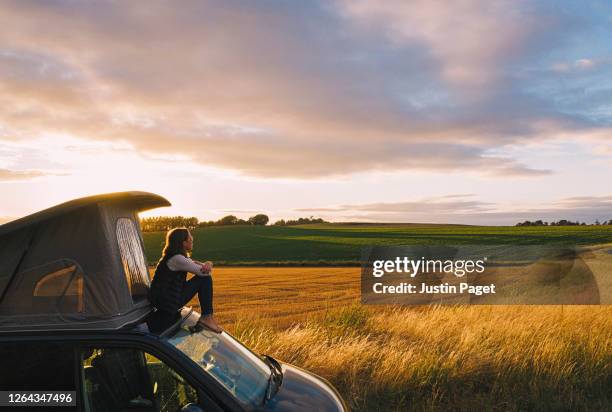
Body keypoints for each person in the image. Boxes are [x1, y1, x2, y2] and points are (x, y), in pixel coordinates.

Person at [149, 227, 222, 333]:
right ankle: (207, 317)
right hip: (167, 303)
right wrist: (208, 265)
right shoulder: (177, 259)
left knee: (205, 278)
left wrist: (208, 263)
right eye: (190, 237)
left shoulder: (177, 257)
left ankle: (208, 317)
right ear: (183, 242)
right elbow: (204, 272)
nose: (192, 239)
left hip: (168, 301)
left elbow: (202, 266)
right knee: (205, 279)